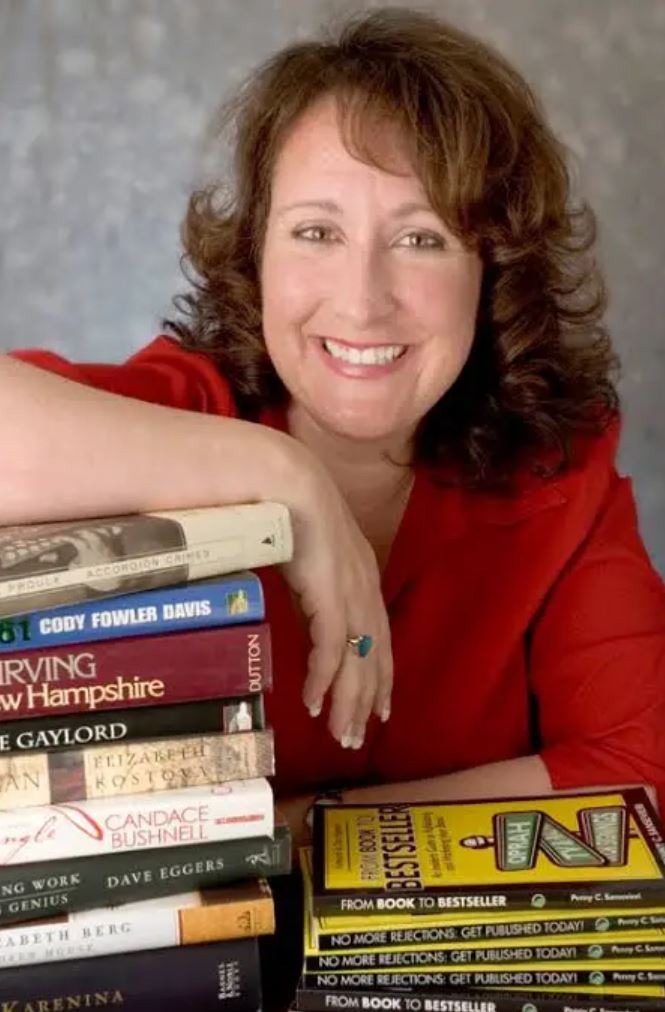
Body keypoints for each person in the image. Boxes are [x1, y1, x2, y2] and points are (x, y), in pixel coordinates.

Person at [1, 6, 664, 848]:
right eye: (316, 231)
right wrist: (286, 478)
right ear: (257, 254)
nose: (360, 299)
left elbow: (638, 773)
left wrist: (289, 833)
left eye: (421, 239)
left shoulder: (557, 476)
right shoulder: (177, 413)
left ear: (491, 270)